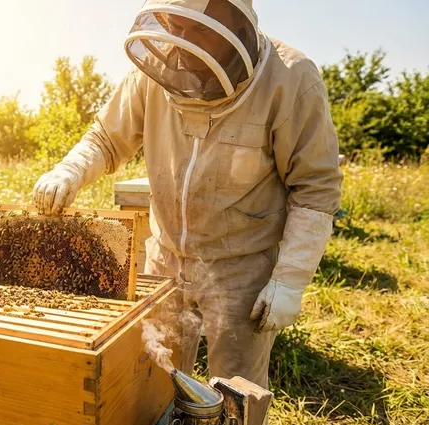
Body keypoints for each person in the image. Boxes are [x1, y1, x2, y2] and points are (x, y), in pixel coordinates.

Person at [32, 0, 343, 393]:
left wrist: (290, 279)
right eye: (174, 27)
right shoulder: (152, 74)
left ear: (235, 25)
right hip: (164, 259)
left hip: (241, 268)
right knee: (155, 377)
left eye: (199, 31)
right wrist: (70, 169)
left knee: (234, 390)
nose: (182, 43)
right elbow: (107, 138)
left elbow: (314, 188)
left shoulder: (291, 78)